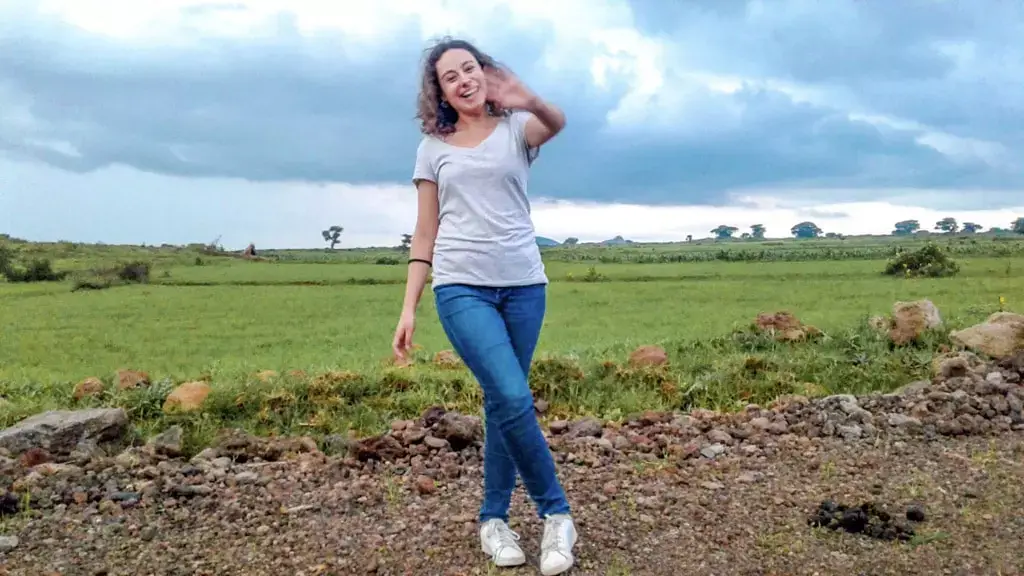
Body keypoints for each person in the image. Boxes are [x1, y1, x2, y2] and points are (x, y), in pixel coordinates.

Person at [391, 37, 577, 575]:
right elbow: (425, 232)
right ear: (441, 92)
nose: (463, 80)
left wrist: (529, 99)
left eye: (469, 69)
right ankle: (556, 513)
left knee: (503, 403)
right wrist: (409, 308)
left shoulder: (519, 129)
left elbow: (557, 122)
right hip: (461, 287)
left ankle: (493, 520)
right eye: (450, 76)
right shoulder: (433, 148)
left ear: (484, 73)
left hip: (524, 286)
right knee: (514, 397)